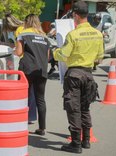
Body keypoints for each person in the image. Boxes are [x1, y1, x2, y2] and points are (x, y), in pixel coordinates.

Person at [53, 1, 104, 154]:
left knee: (73, 109)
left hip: (74, 75)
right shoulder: (97, 33)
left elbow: (63, 55)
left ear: (75, 15)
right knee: (85, 108)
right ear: (87, 15)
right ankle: (86, 140)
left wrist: (55, 51)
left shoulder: (73, 34)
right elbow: (99, 59)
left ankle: (76, 144)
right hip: (88, 75)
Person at [14, 14, 51, 135]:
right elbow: (47, 57)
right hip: (41, 71)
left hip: (27, 70)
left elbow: (19, 53)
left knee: (23, 98)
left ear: (27, 22)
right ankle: (42, 128)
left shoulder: (23, 34)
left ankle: (20, 125)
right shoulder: (45, 37)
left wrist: (12, 49)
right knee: (40, 99)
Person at [2, 13, 37, 123]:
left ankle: (26, 115)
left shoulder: (19, 31)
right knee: (32, 91)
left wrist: (5, 46)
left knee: (25, 90)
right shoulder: (25, 27)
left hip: (26, 62)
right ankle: (31, 116)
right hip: (36, 62)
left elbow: (19, 49)